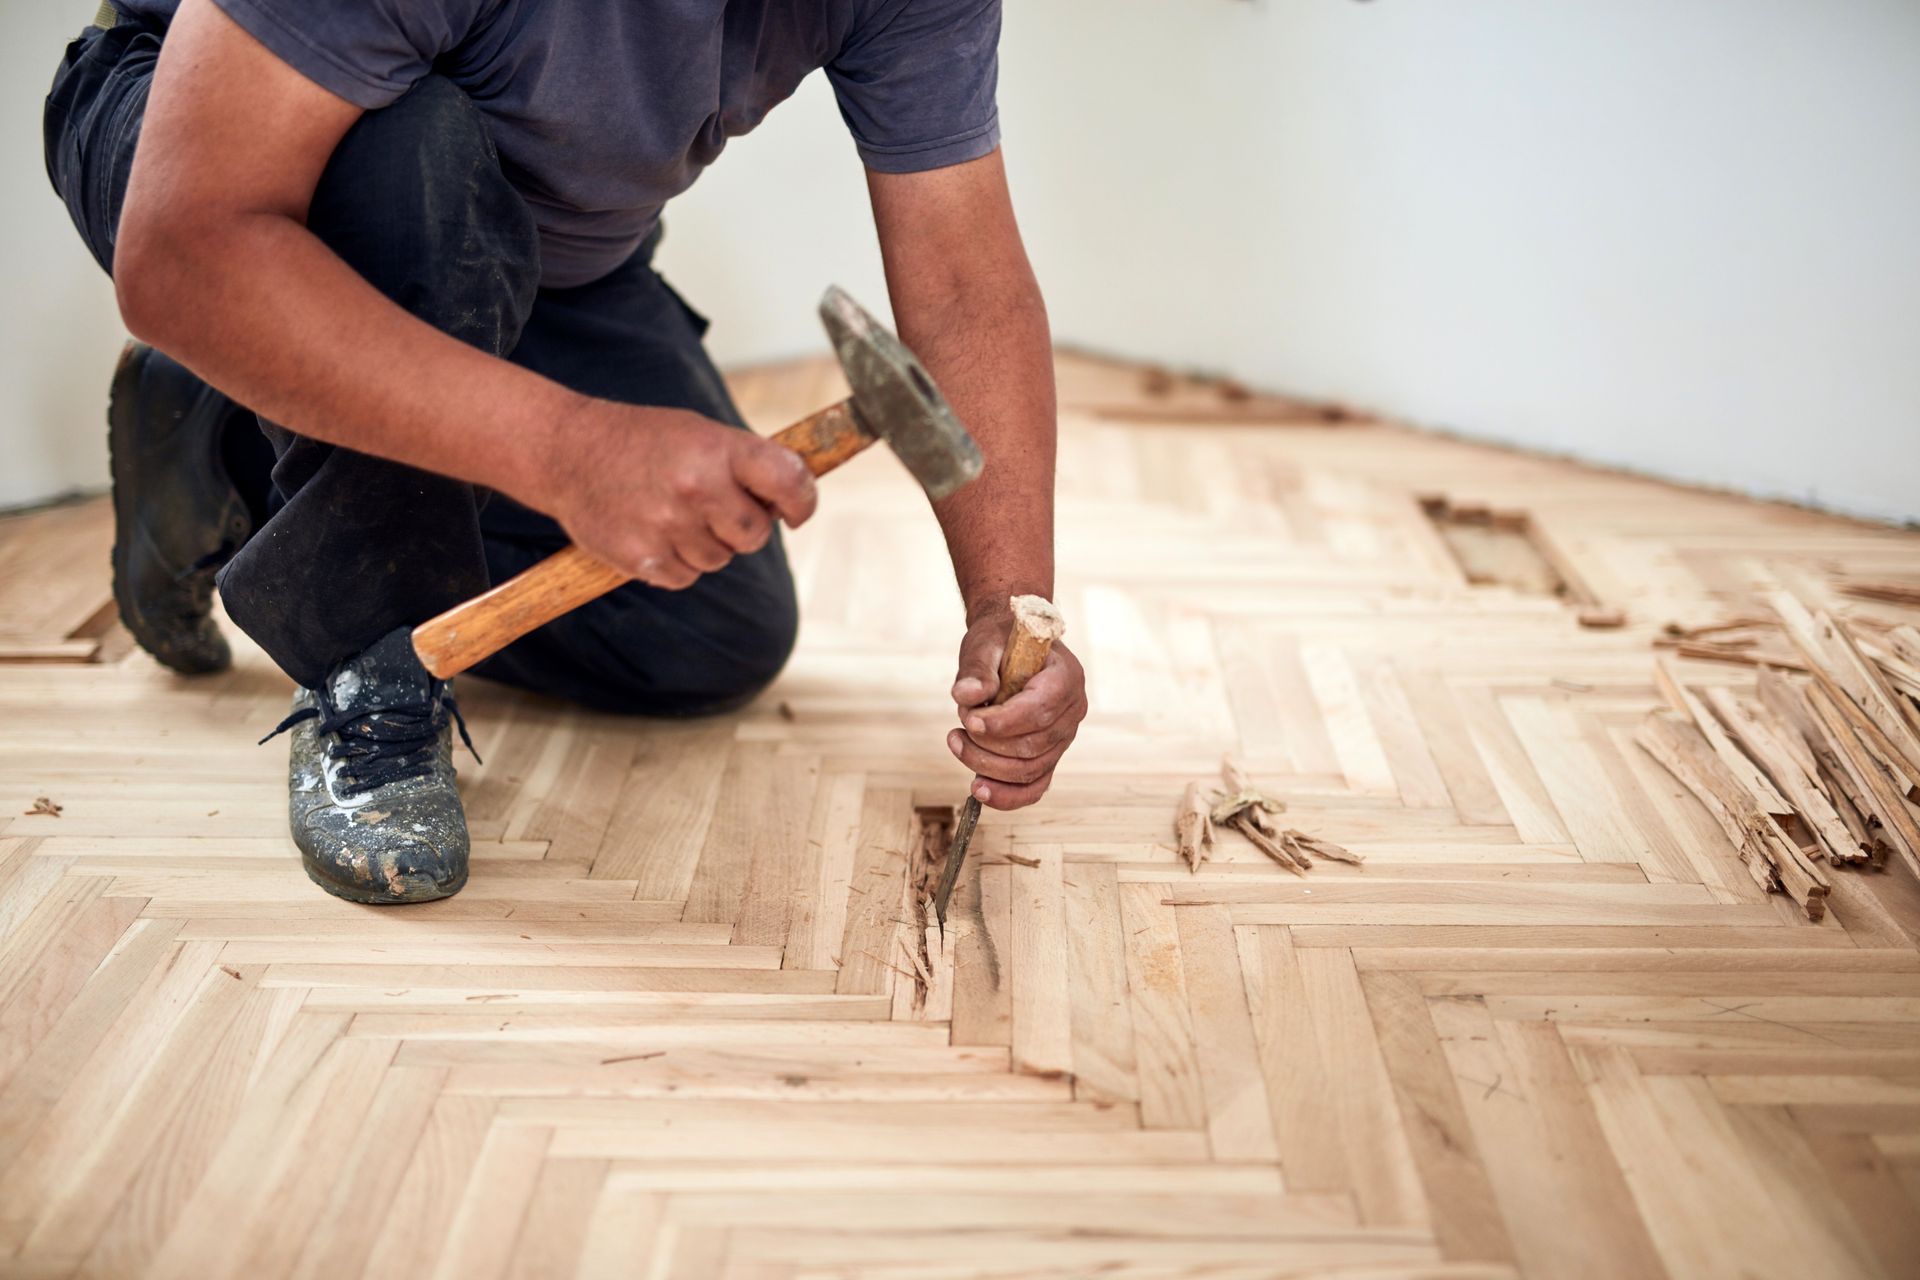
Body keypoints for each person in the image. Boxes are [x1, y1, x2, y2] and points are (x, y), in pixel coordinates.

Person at [43, 0, 1085, 904]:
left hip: (539, 259)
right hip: (222, 166)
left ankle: (222, 449)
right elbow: (184, 246)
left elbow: (965, 285)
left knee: (702, 633)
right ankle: (367, 676)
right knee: (418, 147)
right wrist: (568, 448)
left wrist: (1009, 598)